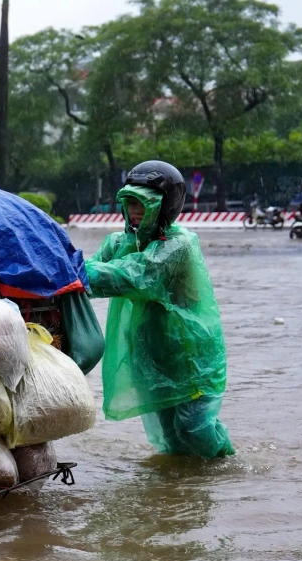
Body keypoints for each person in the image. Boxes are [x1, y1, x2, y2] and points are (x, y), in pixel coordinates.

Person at [83, 160, 234, 459]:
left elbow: (130, 276)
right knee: (169, 435)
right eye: (130, 202)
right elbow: (88, 278)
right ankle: (180, 487)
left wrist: (69, 271)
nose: (135, 210)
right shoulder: (118, 242)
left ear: (166, 206)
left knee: (194, 427)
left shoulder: (179, 244)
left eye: (143, 203)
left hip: (189, 354)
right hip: (148, 352)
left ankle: (223, 471)